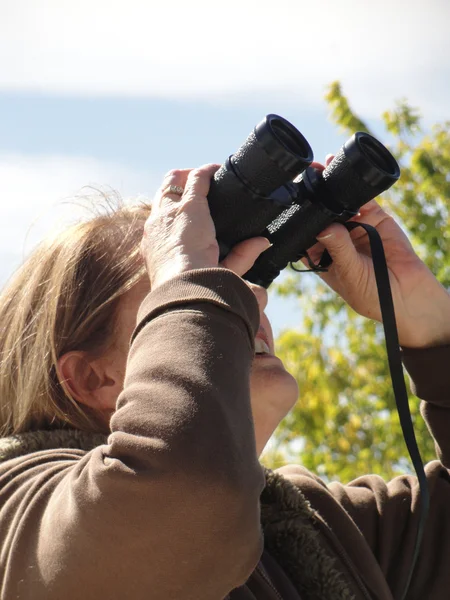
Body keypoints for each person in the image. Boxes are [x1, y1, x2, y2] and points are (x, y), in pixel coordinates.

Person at [0, 160, 449, 600]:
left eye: (236, 281)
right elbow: (183, 493)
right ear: (91, 377)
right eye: (193, 289)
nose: (248, 300)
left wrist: (433, 331)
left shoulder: (313, 529)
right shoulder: (21, 519)